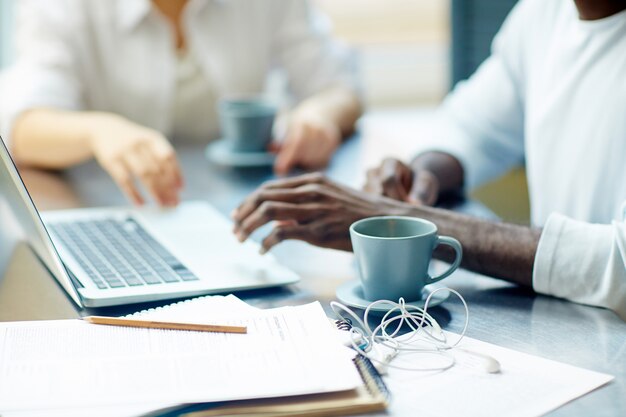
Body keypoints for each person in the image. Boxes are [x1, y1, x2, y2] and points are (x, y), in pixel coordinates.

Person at [231, 0, 626, 320]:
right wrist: (420, 176)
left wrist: (413, 225)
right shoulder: (542, 14)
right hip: (568, 326)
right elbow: (470, 125)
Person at [0, 0, 361, 206]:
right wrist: (99, 130)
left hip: (240, 208)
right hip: (113, 208)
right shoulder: (60, 7)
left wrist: (320, 114)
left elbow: (340, 88)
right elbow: (21, 127)